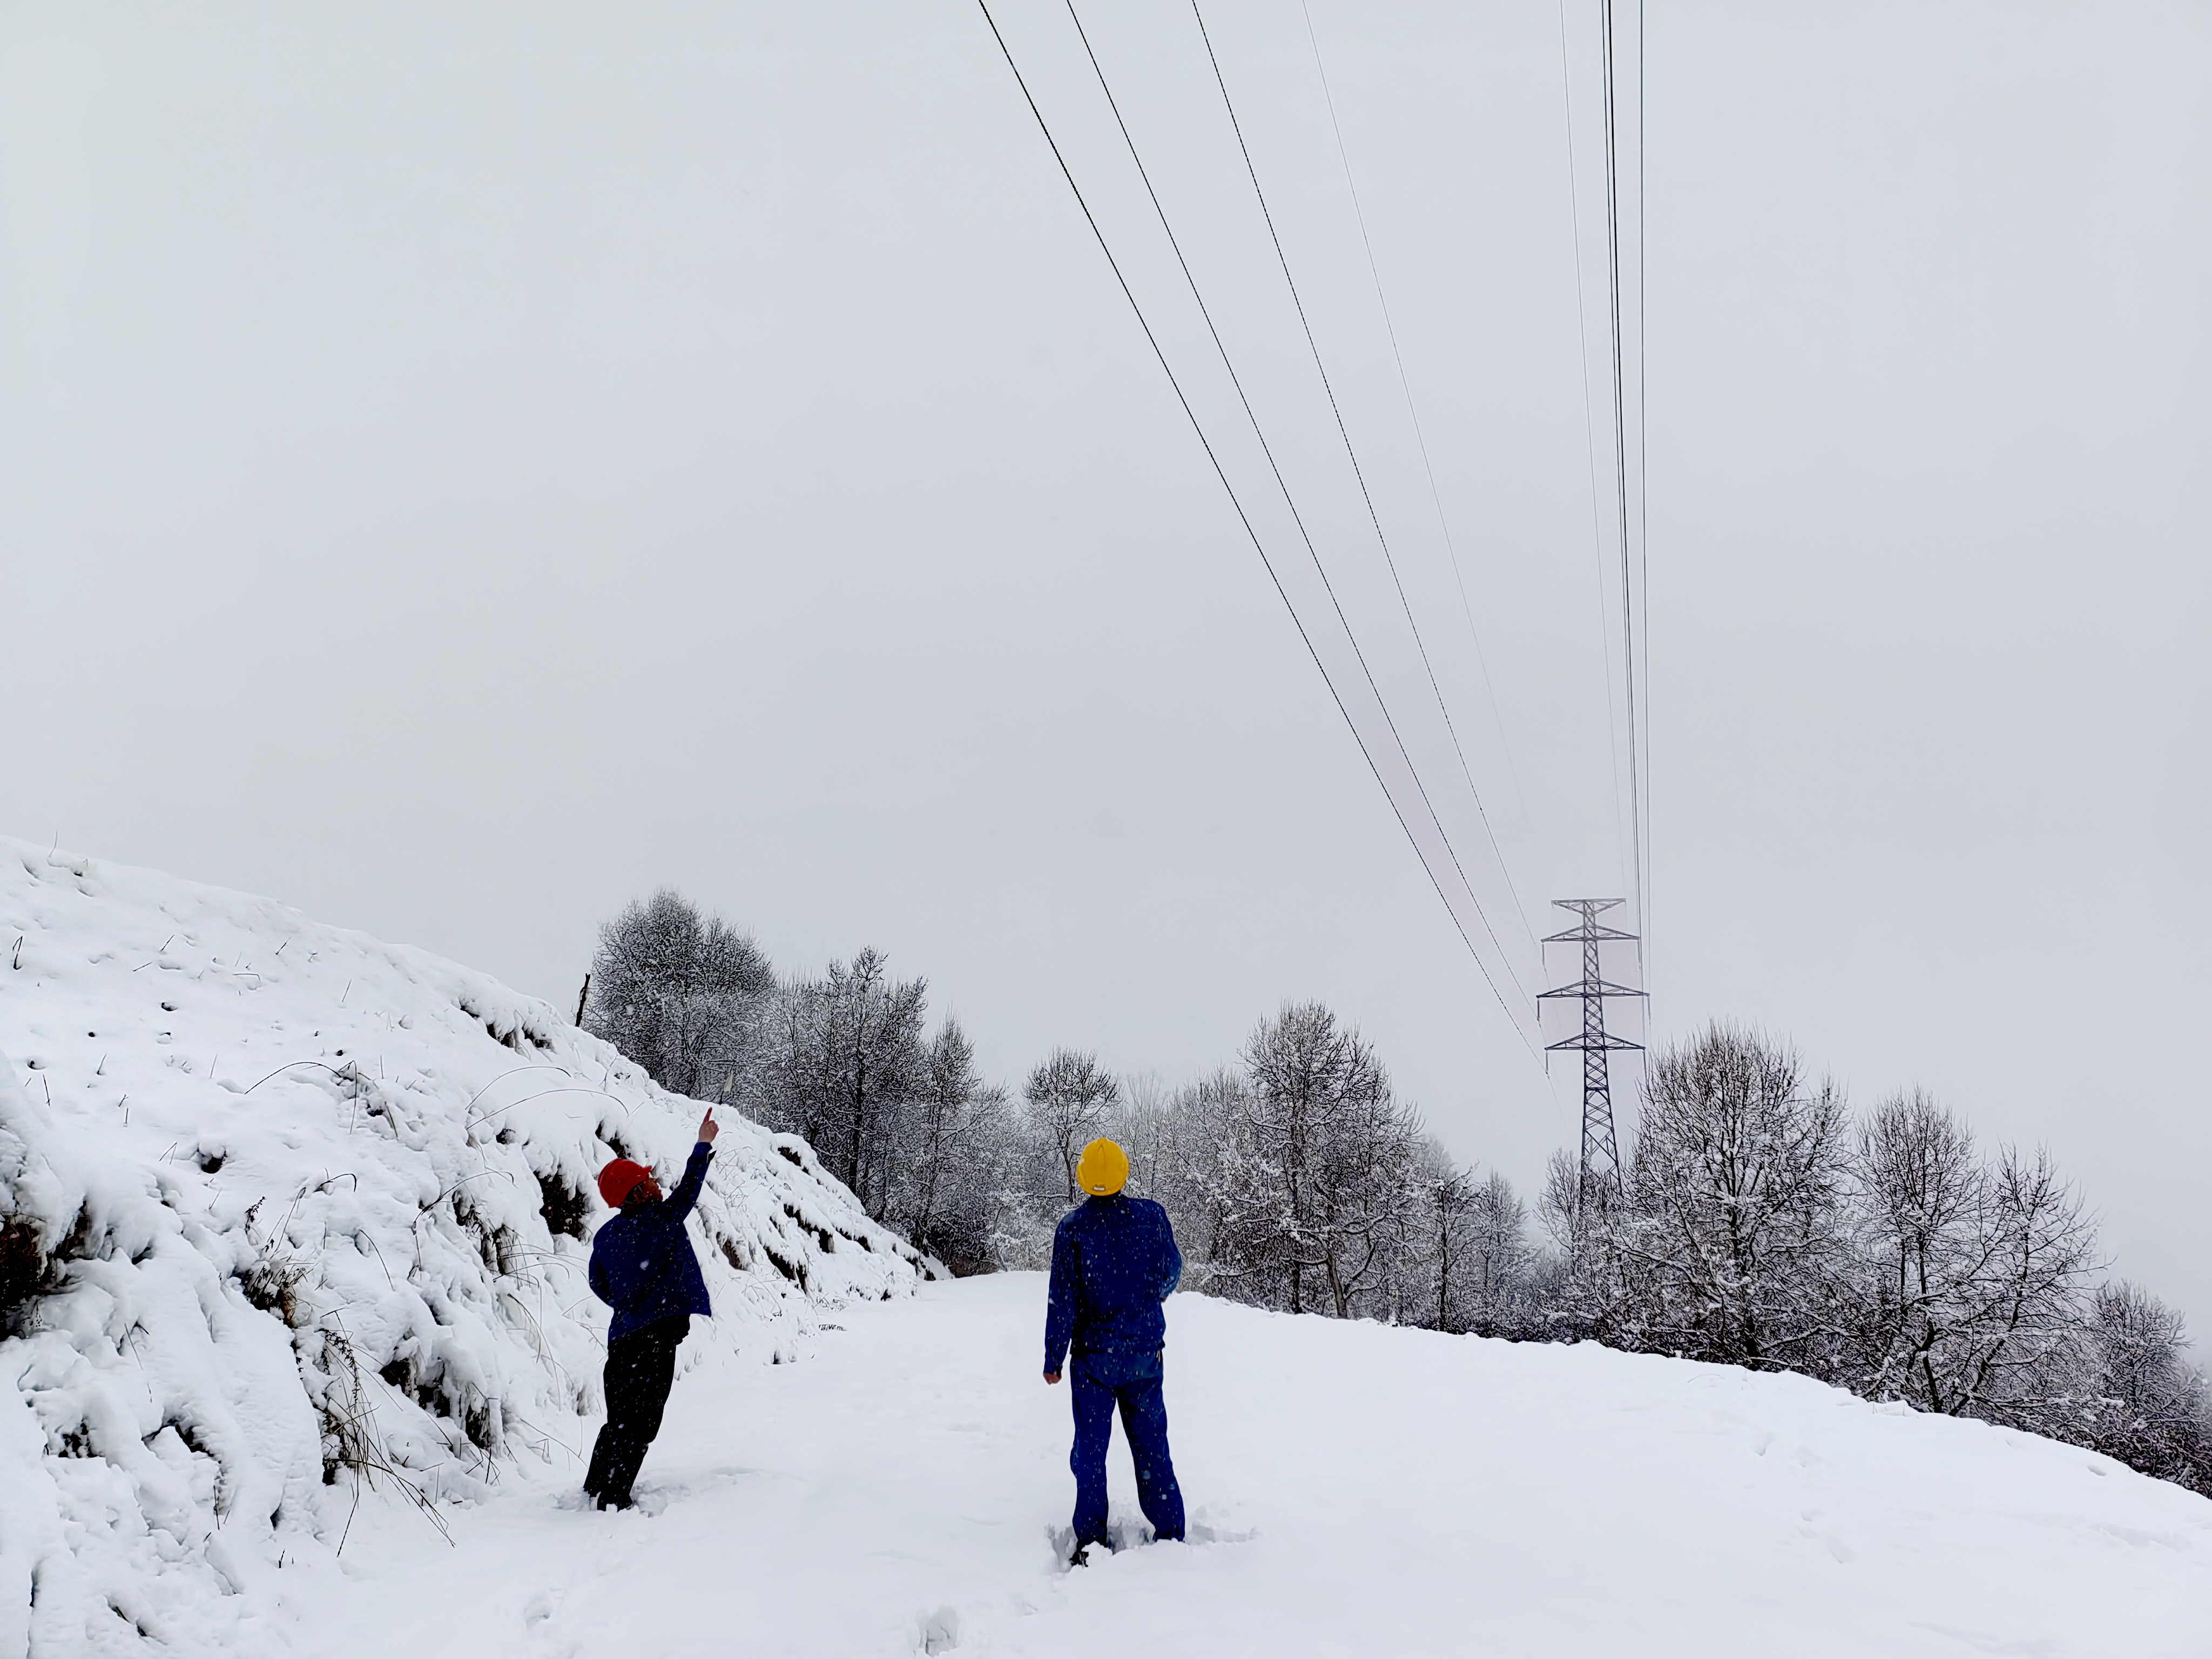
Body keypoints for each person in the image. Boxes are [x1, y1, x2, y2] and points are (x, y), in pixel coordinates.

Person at [1042, 1136, 1186, 1564]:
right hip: (1144, 1356)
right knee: (1151, 1445)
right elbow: (1171, 1273)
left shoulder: (1073, 1229)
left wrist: (1053, 1358)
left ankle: (1090, 1540)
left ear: (1084, 1178)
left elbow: (1063, 1300)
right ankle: (1170, 1534)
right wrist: (1151, 1296)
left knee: (1091, 1450)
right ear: (1124, 1174)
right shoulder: (1152, 1217)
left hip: (1094, 1362)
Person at [583, 1109, 719, 1510]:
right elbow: (689, 1191)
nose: (656, 1183)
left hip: (623, 1340)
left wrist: (626, 1305)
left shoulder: (607, 1236)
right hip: (655, 1340)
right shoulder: (660, 1220)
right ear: (638, 1192)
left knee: (619, 1419)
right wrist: (703, 1144)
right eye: (648, 1180)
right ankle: (614, 1496)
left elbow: (597, 1282)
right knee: (642, 1424)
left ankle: (596, 1485)